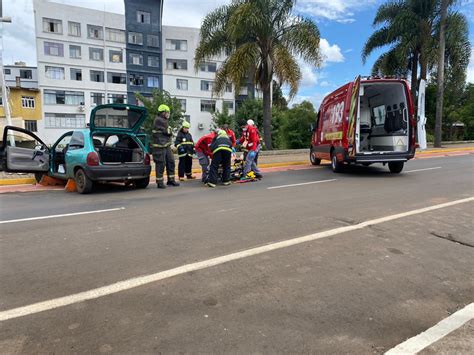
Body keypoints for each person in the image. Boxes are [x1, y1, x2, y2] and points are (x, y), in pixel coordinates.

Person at [151, 104, 179, 189]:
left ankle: (171, 180)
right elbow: (168, 131)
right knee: (161, 164)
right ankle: (159, 182)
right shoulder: (159, 120)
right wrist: (169, 131)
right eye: (167, 112)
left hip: (166, 145)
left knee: (171, 162)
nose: (168, 114)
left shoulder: (163, 120)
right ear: (162, 112)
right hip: (159, 146)